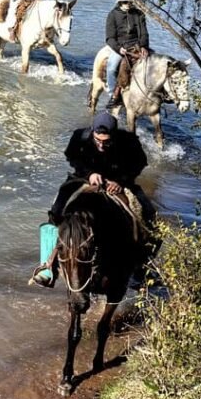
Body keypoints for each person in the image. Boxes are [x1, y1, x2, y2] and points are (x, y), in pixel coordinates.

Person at [36, 112, 157, 285]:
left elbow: (139, 164)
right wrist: (89, 174)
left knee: (149, 212)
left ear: (114, 136)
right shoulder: (80, 136)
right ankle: (47, 266)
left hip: (119, 182)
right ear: (92, 132)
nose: (101, 145)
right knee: (56, 210)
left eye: (106, 141)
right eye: (98, 140)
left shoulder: (129, 141)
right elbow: (71, 157)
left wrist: (120, 181)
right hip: (83, 179)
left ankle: (143, 266)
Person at [105, 0, 150, 108]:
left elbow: (144, 33)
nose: (128, 4)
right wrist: (119, 48)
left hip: (137, 46)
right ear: (120, 2)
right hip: (121, 47)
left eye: (130, 2)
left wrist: (144, 46)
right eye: (125, 2)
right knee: (111, 68)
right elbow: (109, 38)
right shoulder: (112, 15)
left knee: (153, 65)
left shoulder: (139, 14)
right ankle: (113, 95)